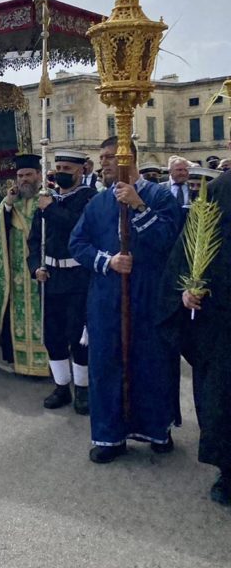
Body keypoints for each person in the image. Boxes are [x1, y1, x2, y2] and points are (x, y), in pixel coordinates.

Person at [69, 137, 182, 463]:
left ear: (128, 158)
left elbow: (169, 241)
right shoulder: (98, 203)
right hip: (107, 297)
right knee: (107, 363)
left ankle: (158, 428)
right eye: (101, 157)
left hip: (149, 294)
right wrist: (108, 261)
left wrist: (138, 206)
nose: (103, 163)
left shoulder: (159, 196)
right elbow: (77, 243)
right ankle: (109, 437)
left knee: (152, 362)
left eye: (109, 157)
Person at [164, 161, 231, 507]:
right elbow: (194, 245)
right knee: (221, 396)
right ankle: (228, 470)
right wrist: (187, 289)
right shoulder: (220, 190)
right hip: (223, 317)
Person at [27, 150, 95, 413]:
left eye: (67, 167)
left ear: (81, 170)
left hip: (77, 277)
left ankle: (83, 388)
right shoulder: (48, 201)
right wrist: (35, 268)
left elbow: (79, 228)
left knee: (78, 335)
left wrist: (51, 209)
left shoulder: (89, 198)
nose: (61, 172)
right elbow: (34, 240)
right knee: (52, 334)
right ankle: (61, 385)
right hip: (51, 276)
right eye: (58, 168)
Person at [0, 155, 49, 377]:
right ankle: (20, 360)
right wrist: (8, 204)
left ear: (38, 175)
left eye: (28, 175)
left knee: (44, 312)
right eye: (20, 176)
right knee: (18, 311)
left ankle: (48, 362)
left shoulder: (47, 198)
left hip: (42, 266)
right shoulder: (11, 201)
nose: (24, 180)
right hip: (17, 268)